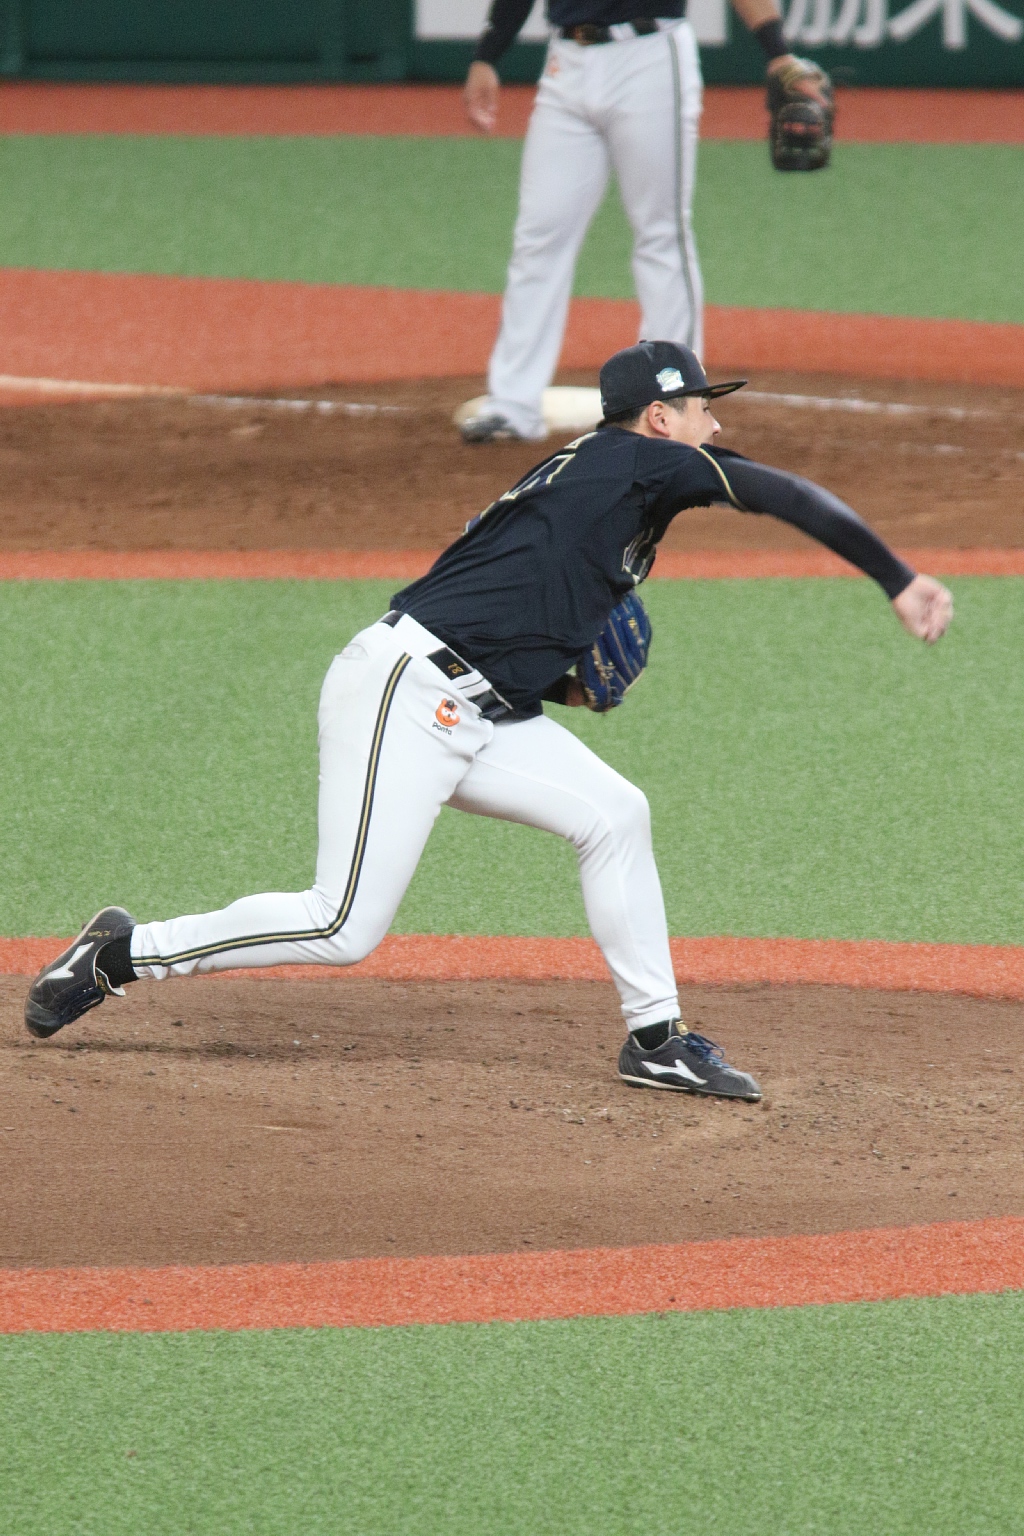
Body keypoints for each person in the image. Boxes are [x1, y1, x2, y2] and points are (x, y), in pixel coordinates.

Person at [25, 341, 953, 1103]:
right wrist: (898, 578)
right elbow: (789, 495)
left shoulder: (605, 478)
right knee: (341, 924)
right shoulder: (643, 462)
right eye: (703, 407)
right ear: (661, 418)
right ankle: (120, 955)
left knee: (614, 814)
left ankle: (657, 1040)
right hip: (400, 692)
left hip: (472, 702)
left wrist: (564, 688)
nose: (717, 422)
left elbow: (512, 608)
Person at [459, 0, 831, 444]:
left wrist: (777, 50)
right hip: (566, 63)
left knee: (662, 234)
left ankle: (677, 408)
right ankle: (512, 405)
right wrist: (487, 55)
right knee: (539, 236)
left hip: (651, 57)